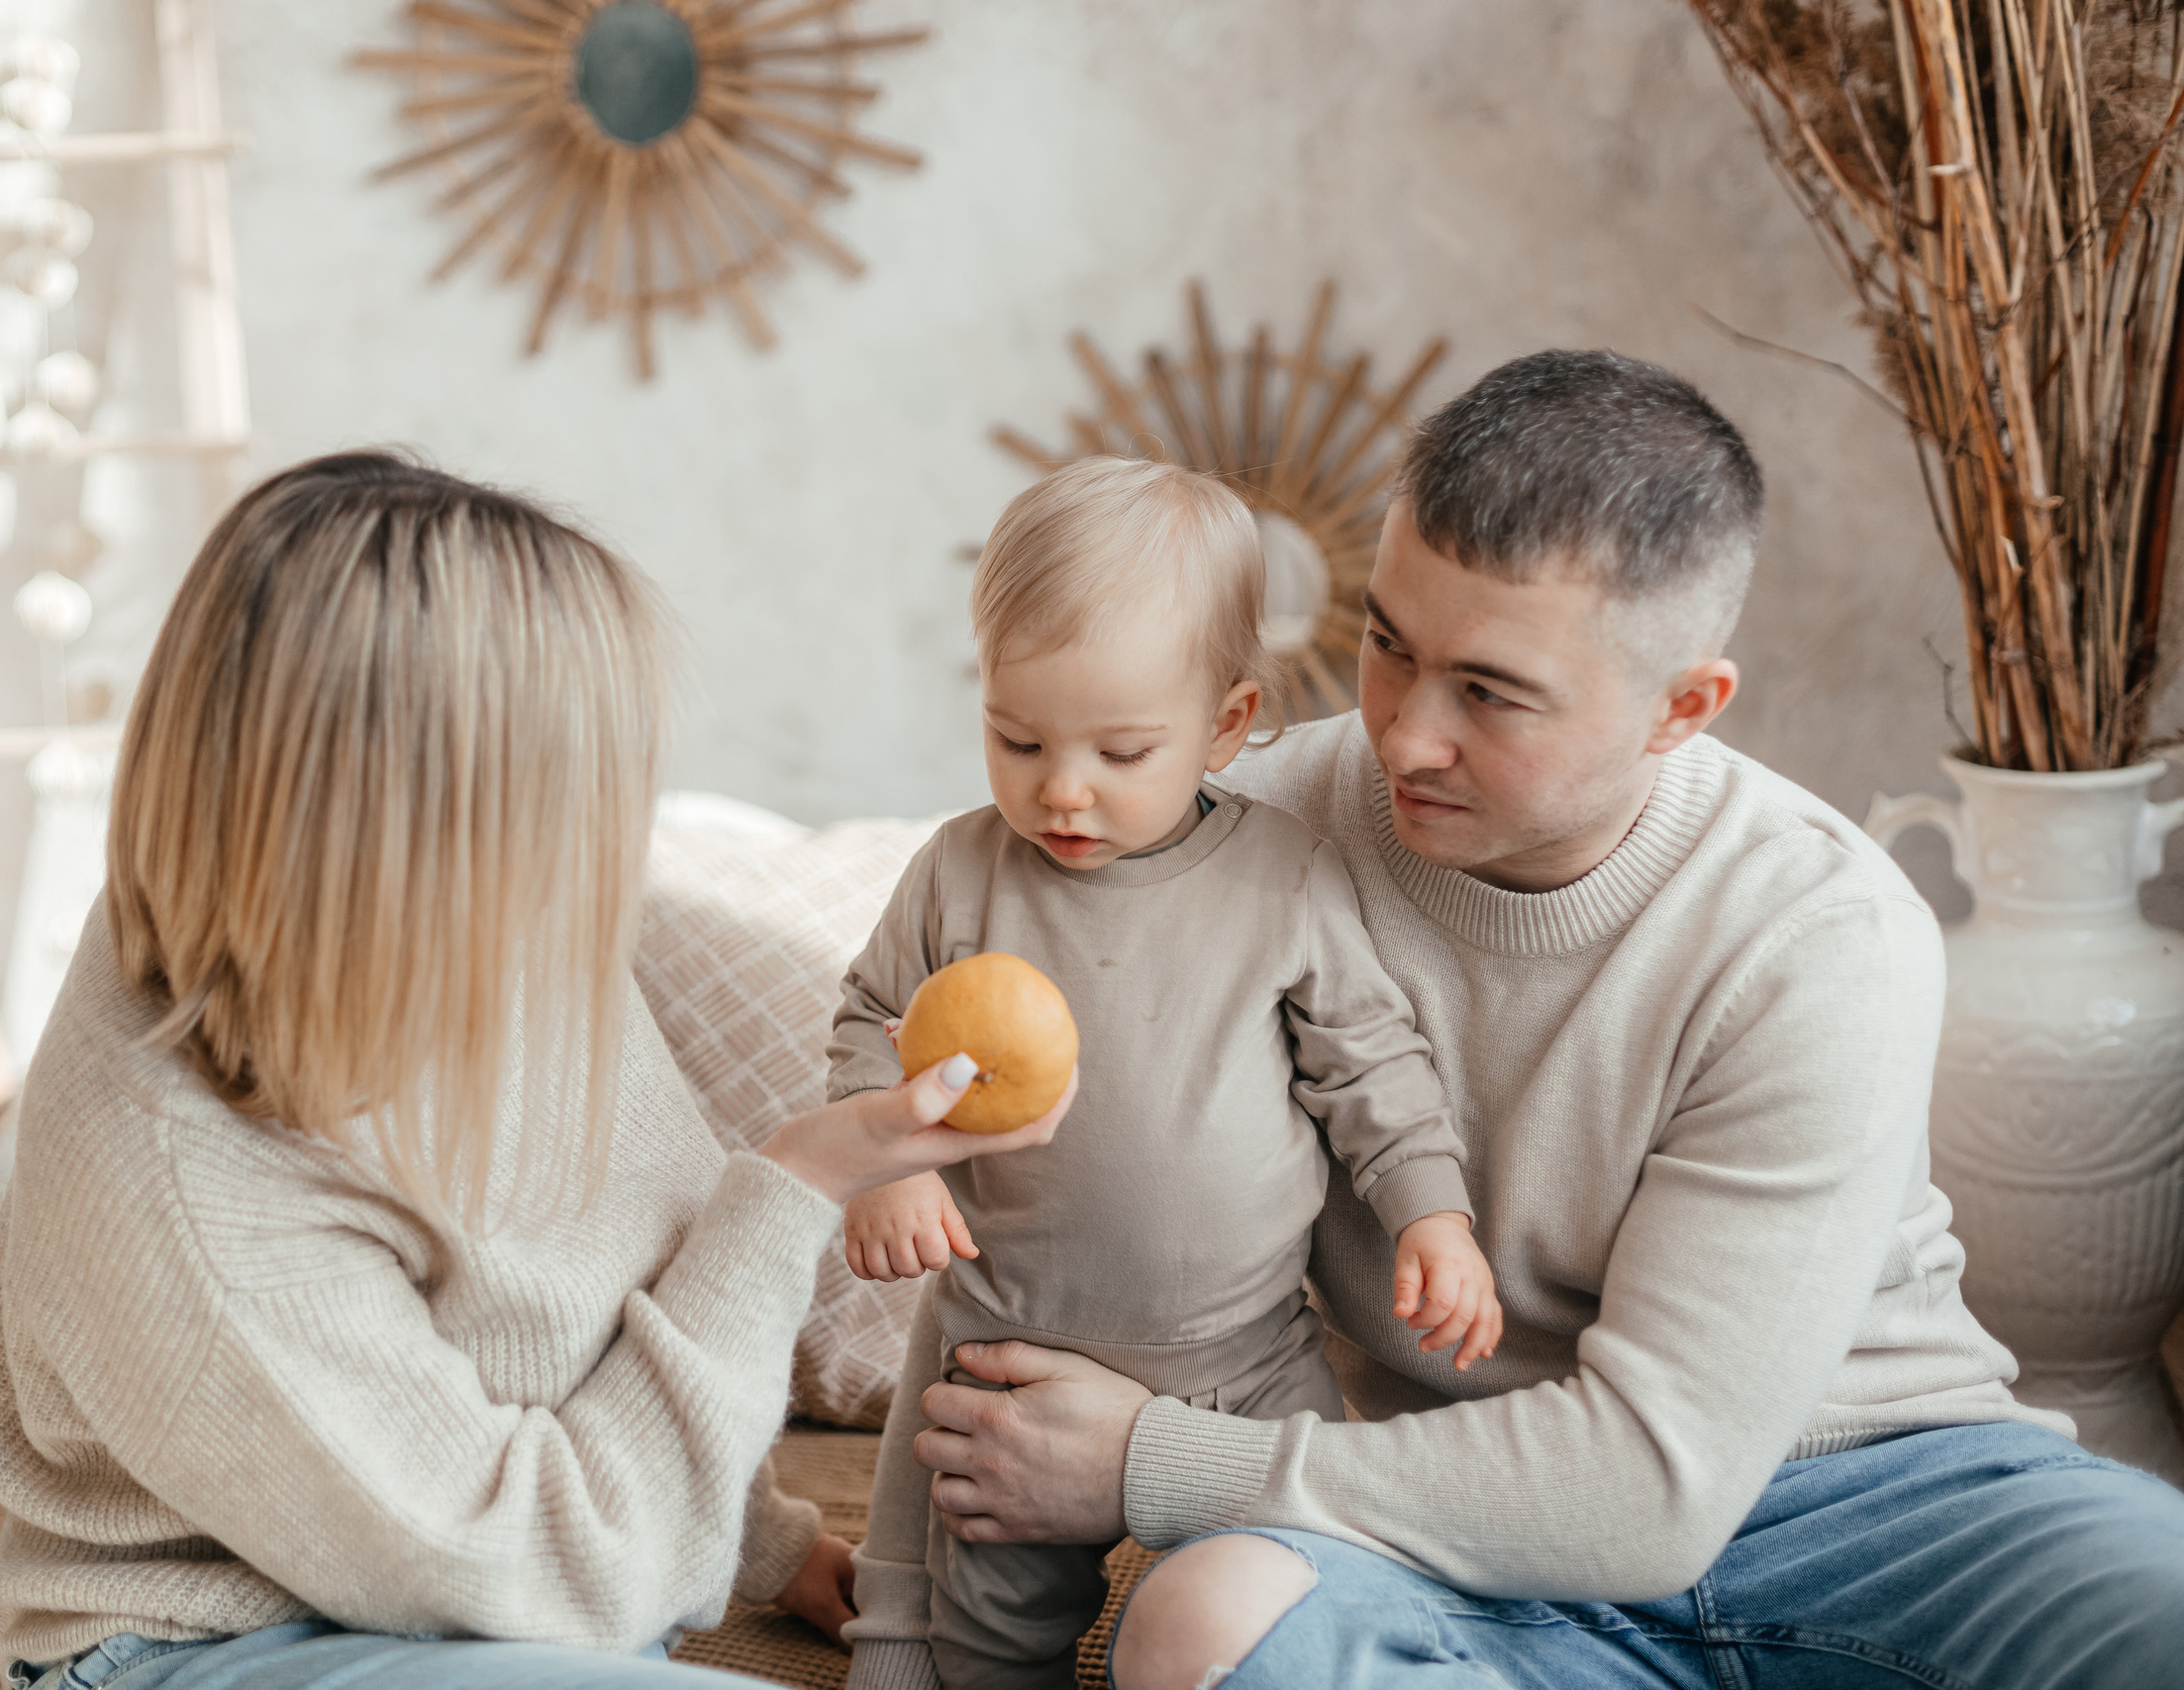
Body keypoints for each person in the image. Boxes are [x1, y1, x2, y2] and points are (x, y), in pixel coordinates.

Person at [895, 352, 2184, 1689]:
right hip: (1443, 1528)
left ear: (1682, 706)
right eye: (1388, 644)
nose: (1403, 735)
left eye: (1490, 692)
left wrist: (1145, 1460)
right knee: (1206, 1626)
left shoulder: (1822, 930)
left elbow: (1650, 1483)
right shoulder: (1241, 842)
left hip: (1886, 1500)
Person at [0, 452, 1073, 1690]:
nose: (609, 825)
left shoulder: (493, 931)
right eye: (575, 782)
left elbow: (593, 1298)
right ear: (415, 818)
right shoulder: (181, 1180)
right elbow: (554, 1581)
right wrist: (798, 1183)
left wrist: (768, 1549)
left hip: (495, 1589)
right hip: (218, 1644)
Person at [828, 456, 1502, 1690]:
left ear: (1227, 725)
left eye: (1123, 749)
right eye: (1015, 737)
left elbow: (1370, 1066)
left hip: (1244, 1364)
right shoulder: (960, 874)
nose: (1062, 787)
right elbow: (872, 1019)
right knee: (986, 1651)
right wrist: (884, 1171)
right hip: (1007, 1362)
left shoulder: (1281, 876)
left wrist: (1434, 1215)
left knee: (1304, 1595)